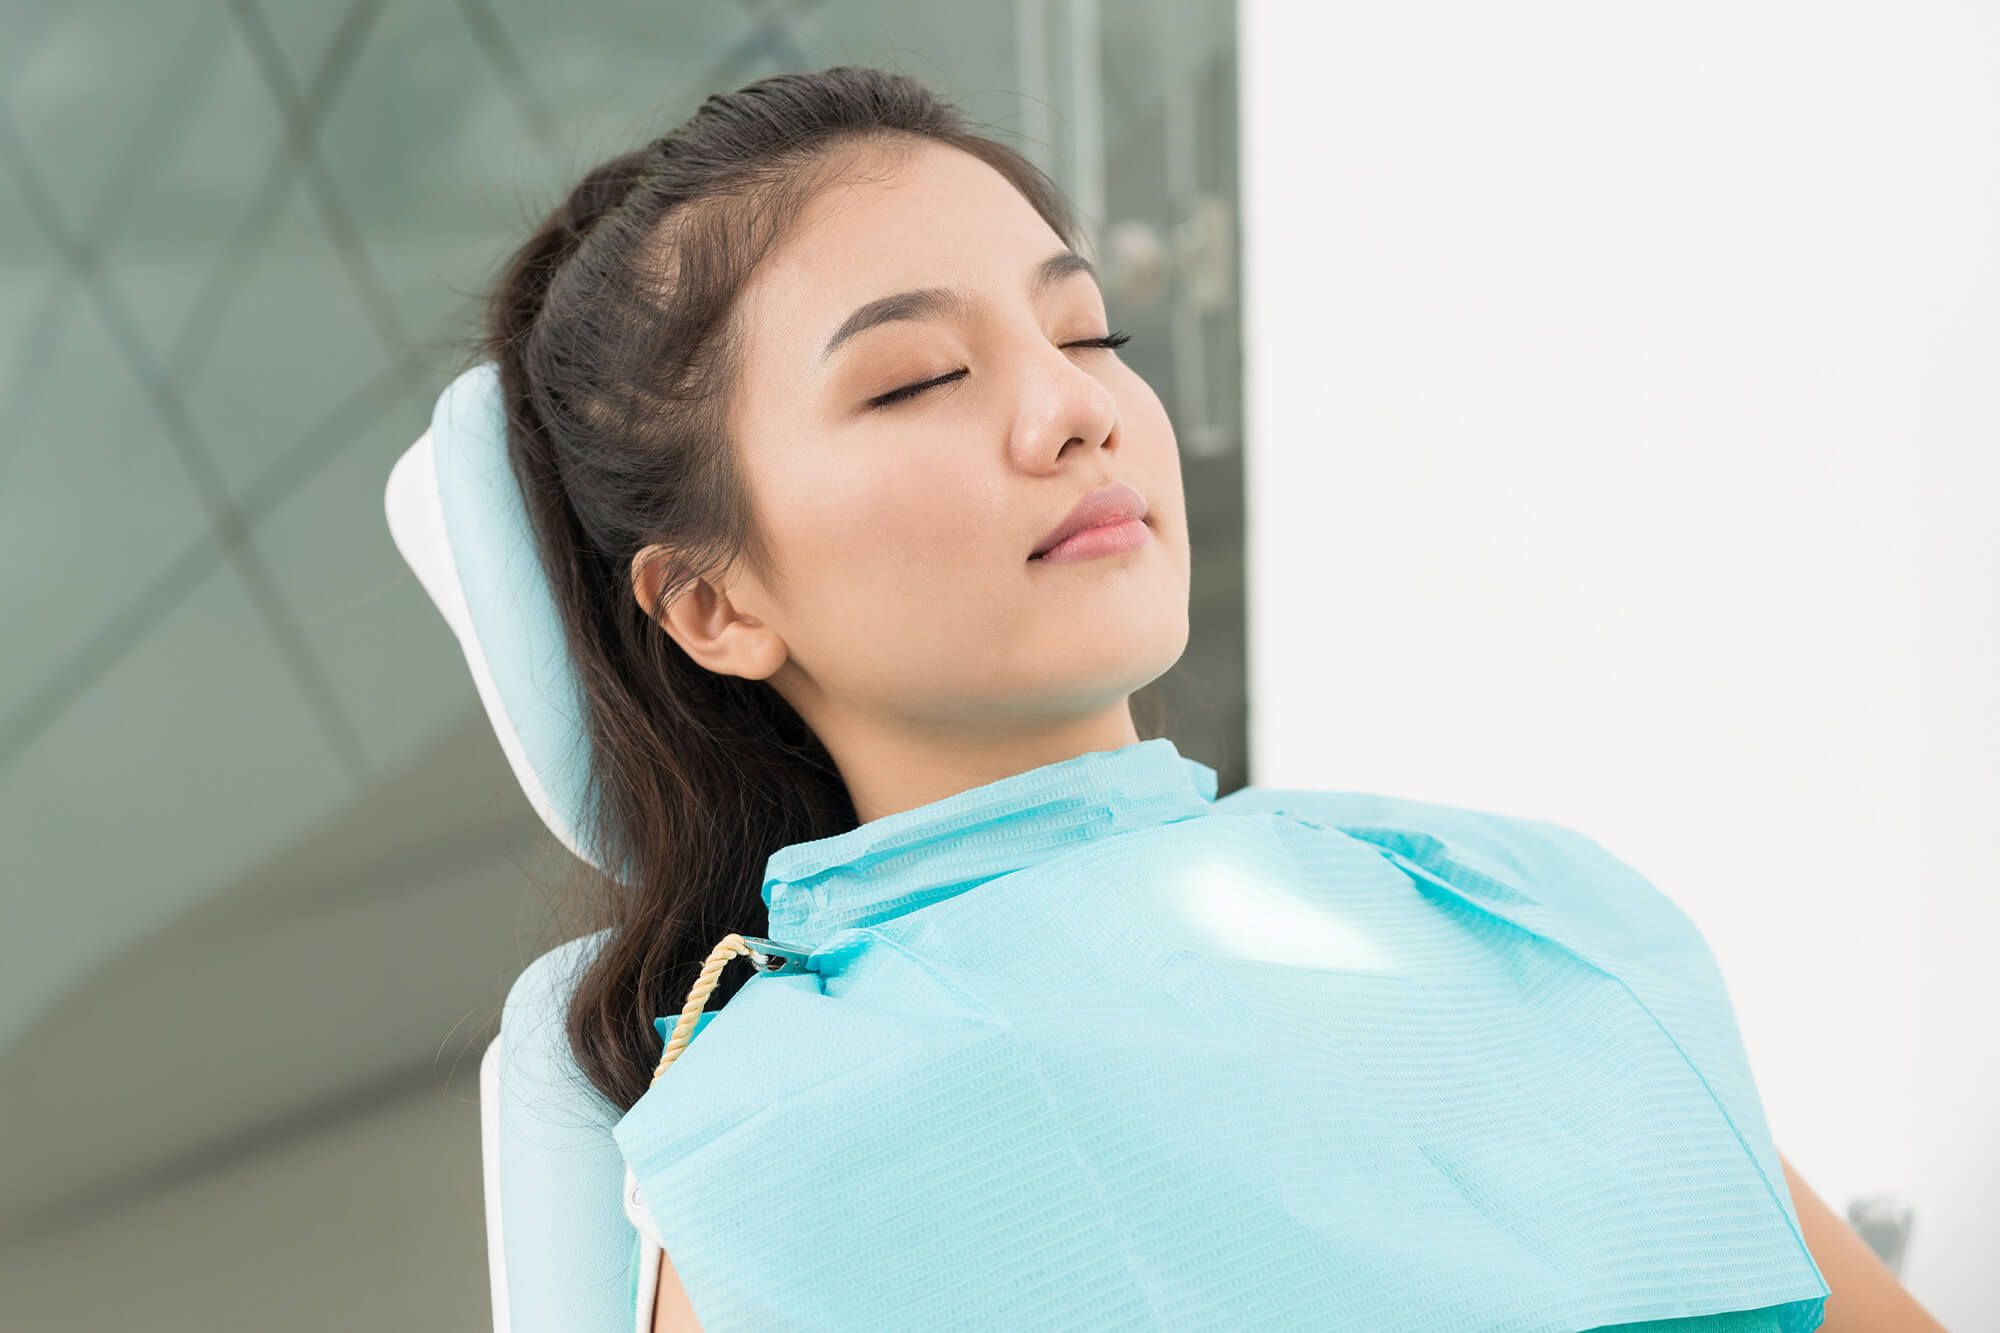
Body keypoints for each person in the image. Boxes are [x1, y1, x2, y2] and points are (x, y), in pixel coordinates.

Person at [471, 65, 1944, 1333]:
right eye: (918, 379)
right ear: (714, 603)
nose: (1076, 408)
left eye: (1088, 333)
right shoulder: (790, 1131)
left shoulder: (1493, 893)